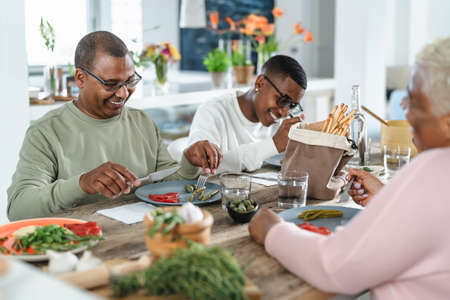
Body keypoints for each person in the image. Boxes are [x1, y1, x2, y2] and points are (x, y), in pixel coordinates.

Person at [249, 37, 450, 299]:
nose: (406, 112)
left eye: (415, 102)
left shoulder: (433, 168)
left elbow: (336, 266)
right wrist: (390, 201)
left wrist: (273, 231)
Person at [7, 31, 222, 221]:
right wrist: (81, 184)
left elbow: (165, 185)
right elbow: (18, 208)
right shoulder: (45, 132)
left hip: (140, 239)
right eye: (110, 84)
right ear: (80, 78)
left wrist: (188, 163)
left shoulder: (142, 122)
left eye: (130, 81)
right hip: (78, 246)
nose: (122, 93)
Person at [188, 55, 322, 172]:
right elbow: (202, 166)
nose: (284, 112)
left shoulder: (280, 124)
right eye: (283, 100)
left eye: (291, 105)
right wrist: (274, 144)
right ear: (260, 83)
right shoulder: (212, 112)